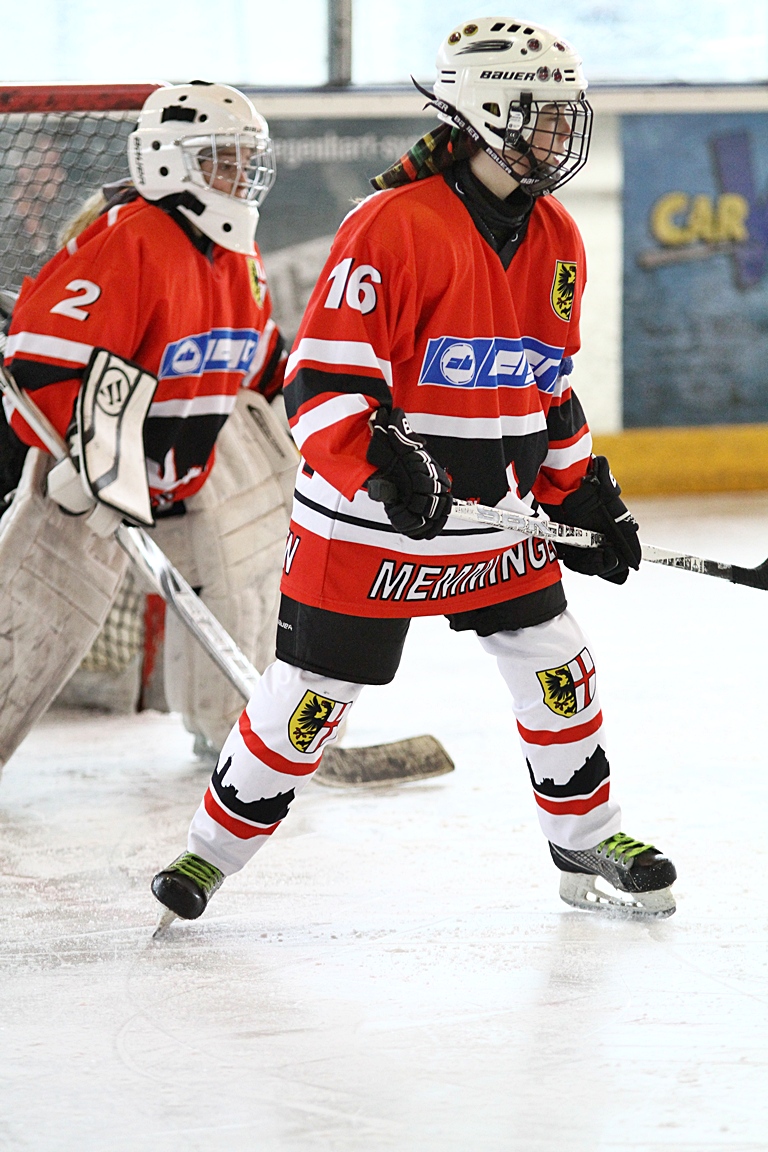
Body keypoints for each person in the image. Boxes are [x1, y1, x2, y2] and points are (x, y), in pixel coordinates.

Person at [151, 19, 678, 923]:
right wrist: (384, 465)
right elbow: (321, 383)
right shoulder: (391, 225)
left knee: (558, 661)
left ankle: (585, 837)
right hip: (368, 524)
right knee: (311, 701)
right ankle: (209, 853)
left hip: (495, 522)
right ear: (486, 112)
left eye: (568, 110)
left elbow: (547, 389)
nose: (564, 129)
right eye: (544, 111)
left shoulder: (557, 235)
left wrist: (581, 495)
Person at [1, 82, 296, 762]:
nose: (239, 176)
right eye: (222, 159)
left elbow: (259, 361)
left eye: (245, 159)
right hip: (93, 475)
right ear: (169, 159)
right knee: (34, 617)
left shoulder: (238, 255)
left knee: (249, 574)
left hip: (186, 465)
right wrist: (86, 460)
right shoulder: (128, 240)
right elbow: (41, 363)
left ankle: (230, 726)